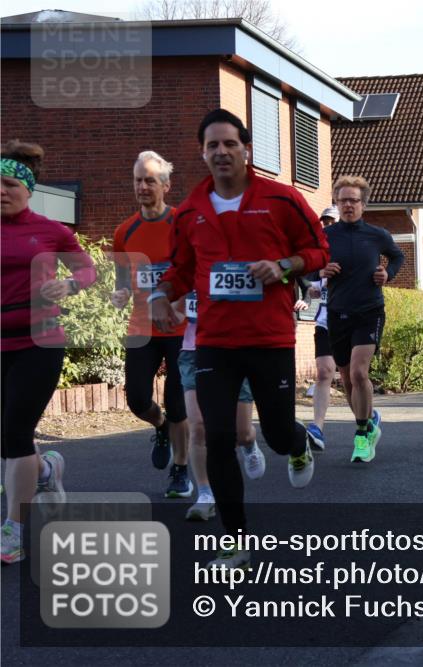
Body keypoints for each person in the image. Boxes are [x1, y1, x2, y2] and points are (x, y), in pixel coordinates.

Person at [150, 109, 327, 568]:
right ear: (202, 153)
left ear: (246, 150)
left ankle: (298, 444)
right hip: (214, 342)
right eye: (213, 145)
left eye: (230, 143)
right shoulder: (190, 210)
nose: (222, 152)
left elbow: (318, 251)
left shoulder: (282, 200)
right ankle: (238, 541)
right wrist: (162, 293)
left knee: (274, 431)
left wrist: (284, 266)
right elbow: (182, 268)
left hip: (269, 339)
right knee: (218, 436)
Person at [2, 140, 97, 564]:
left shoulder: (51, 229)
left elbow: (88, 269)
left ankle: (14, 529)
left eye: (8, 184)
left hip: (39, 343)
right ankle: (46, 470)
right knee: (7, 437)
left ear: (27, 189)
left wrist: (70, 285)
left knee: (15, 436)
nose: (1, 192)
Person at [110, 151, 191, 497]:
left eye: (150, 180)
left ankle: (181, 469)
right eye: (138, 180)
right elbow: (122, 282)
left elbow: (197, 271)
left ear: (166, 185)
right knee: (138, 399)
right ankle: (161, 427)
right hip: (142, 327)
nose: (142, 186)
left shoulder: (183, 224)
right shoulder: (124, 231)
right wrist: (120, 294)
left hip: (180, 327)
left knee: (179, 404)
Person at [320, 176, 404, 464]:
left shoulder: (377, 234)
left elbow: (397, 257)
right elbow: (306, 267)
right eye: (342, 200)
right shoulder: (327, 237)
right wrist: (321, 271)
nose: (347, 205)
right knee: (345, 378)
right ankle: (368, 421)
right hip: (337, 311)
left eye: (353, 200)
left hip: (369, 311)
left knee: (358, 372)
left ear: (363, 204)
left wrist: (387, 274)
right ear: (336, 203)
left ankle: (362, 433)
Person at [178, 290, 265, 521]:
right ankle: (205, 494)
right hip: (193, 351)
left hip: (234, 350)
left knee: (242, 433)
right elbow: (174, 311)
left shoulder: (235, 262)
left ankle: (249, 444)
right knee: (198, 428)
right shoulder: (184, 265)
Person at [304, 207, 339, 453]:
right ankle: (317, 428)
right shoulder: (319, 253)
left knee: (354, 377)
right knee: (325, 372)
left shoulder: (352, 248)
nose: (327, 226)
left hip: (351, 321)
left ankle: (367, 420)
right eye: (324, 222)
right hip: (325, 319)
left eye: (331, 222)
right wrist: (310, 290)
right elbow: (310, 285)